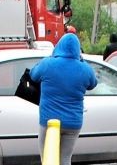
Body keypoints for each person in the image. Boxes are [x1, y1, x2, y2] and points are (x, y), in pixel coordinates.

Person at [30, 33, 97, 165]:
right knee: (65, 159)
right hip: (73, 122)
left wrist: (50, 57)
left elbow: (33, 75)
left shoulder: (48, 63)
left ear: (59, 46)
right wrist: (81, 61)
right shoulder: (85, 69)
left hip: (49, 121)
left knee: (47, 159)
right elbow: (93, 83)